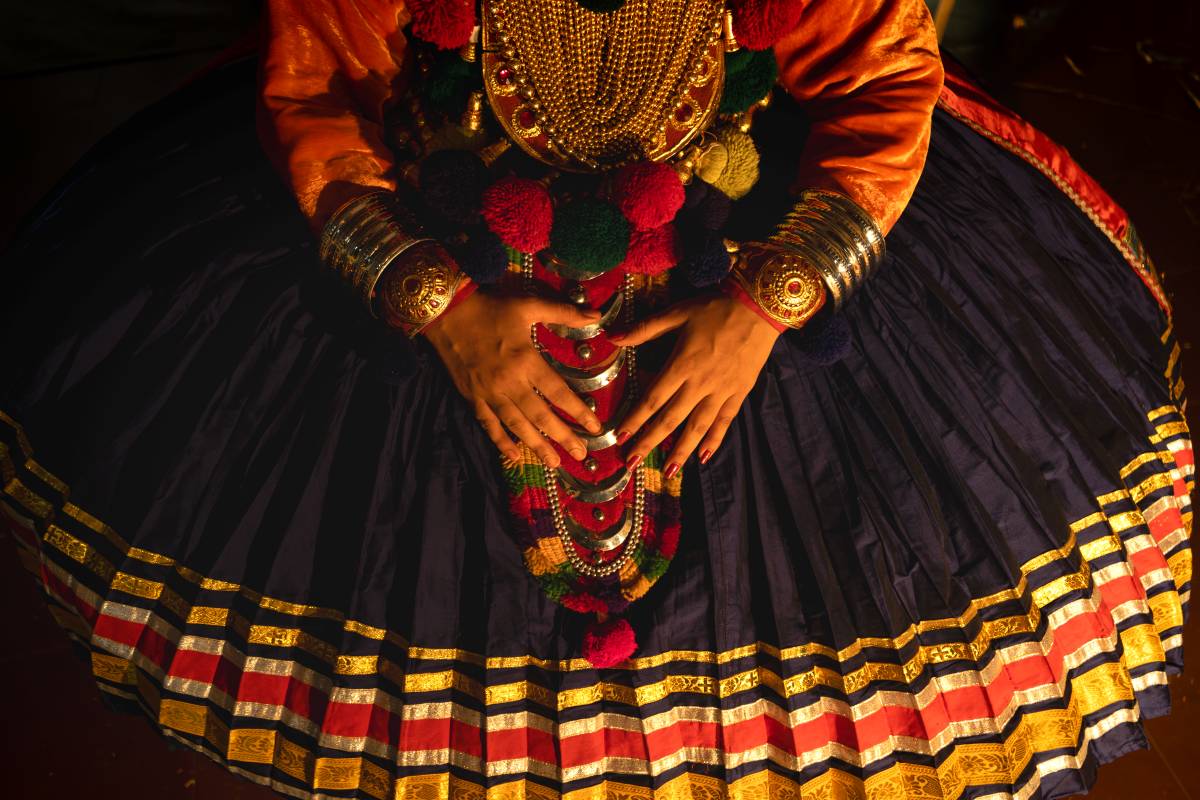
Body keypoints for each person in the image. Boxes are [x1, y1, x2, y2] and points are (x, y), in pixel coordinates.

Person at [0, 0, 1190, 797]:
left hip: (741, 229)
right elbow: (322, 91)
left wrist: (767, 307)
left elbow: (879, 82)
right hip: (439, 207)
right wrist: (441, 311)